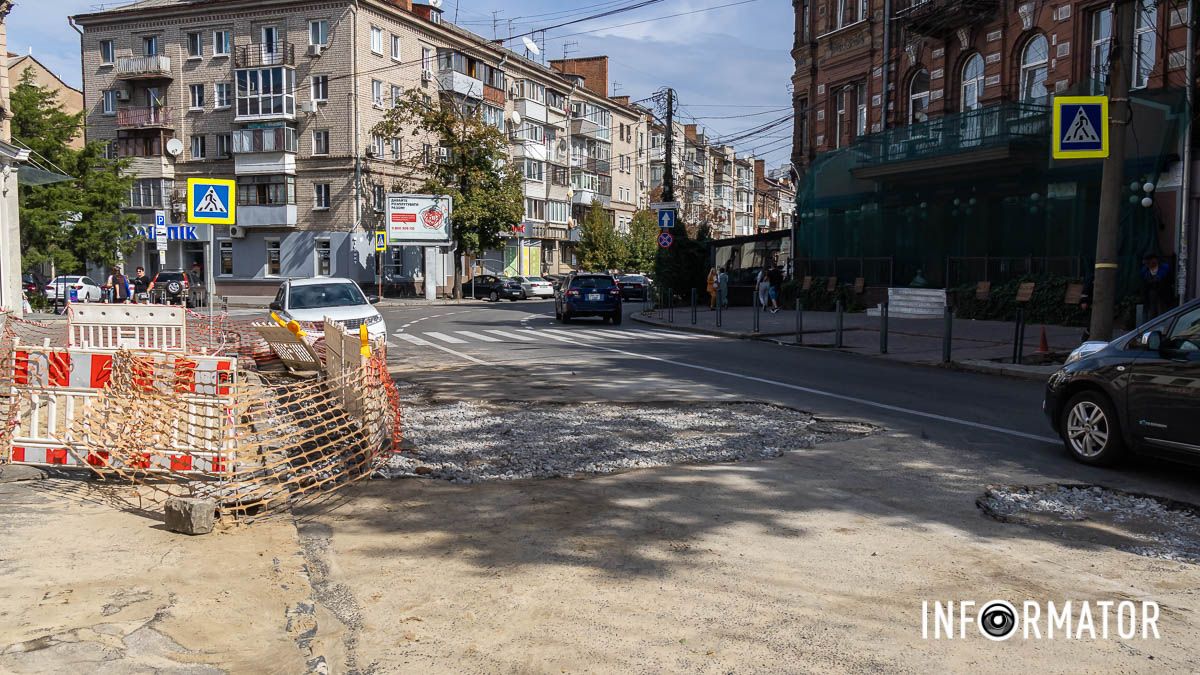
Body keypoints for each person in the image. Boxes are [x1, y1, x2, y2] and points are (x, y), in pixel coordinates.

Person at [1140, 254, 1171, 320]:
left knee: (1162, 311)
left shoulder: (1164, 267)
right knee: (1151, 312)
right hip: (1150, 294)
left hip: (1163, 294)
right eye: (1146, 264)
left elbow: (1161, 278)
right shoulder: (1145, 270)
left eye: (1148, 263)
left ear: (1154, 260)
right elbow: (1145, 282)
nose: (1147, 265)